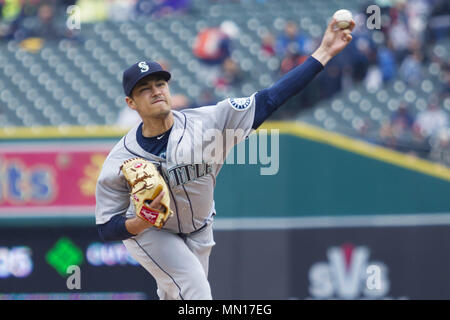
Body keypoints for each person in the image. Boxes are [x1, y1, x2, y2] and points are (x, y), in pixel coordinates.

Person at [95, 18, 355, 300]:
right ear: (131, 103)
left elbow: (270, 99)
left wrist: (324, 52)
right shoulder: (122, 157)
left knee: (177, 296)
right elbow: (106, 228)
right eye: (144, 88)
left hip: (200, 229)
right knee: (196, 291)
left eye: (160, 83)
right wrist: (140, 222)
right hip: (150, 233)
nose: (156, 90)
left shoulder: (208, 123)